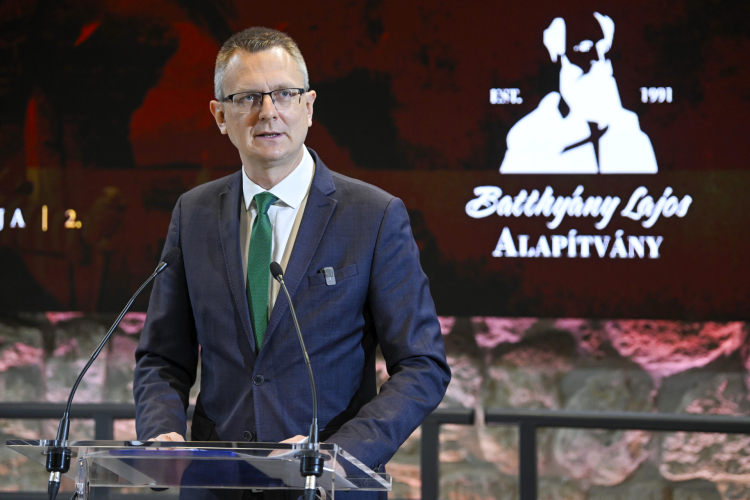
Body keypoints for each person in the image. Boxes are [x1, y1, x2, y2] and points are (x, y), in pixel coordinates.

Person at [133, 27, 451, 499]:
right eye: (248, 98)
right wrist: (162, 432)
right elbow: (162, 358)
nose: (268, 112)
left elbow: (423, 365)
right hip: (216, 484)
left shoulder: (374, 215)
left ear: (309, 106)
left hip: (327, 485)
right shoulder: (193, 213)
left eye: (284, 94)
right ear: (220, 115)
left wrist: (340, 454)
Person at [500, 12, 658, 174]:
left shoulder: (632, 135)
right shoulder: (528, 136)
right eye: (584, 48)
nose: (598, 58)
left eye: (603, 47)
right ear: (558, 56)